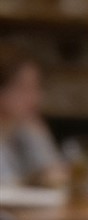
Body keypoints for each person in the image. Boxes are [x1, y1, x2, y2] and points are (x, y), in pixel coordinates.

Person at [0, 46, 67, 188]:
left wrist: (39, 135)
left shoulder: (27, 130)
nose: (35, 98)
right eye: (23, 88)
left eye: (37, 88)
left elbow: (58, 178)